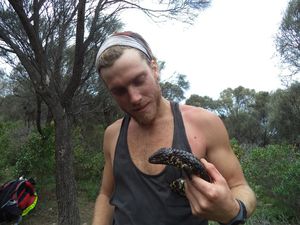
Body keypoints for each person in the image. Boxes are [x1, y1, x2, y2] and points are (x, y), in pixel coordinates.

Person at [92, 31, 256, 225]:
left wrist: (233, 210)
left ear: (154, 68)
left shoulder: (204, 123)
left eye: (139, 80)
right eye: (119, 91)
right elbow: (106, 194)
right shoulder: (113, 134)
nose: (134, 97)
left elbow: (239, 186)